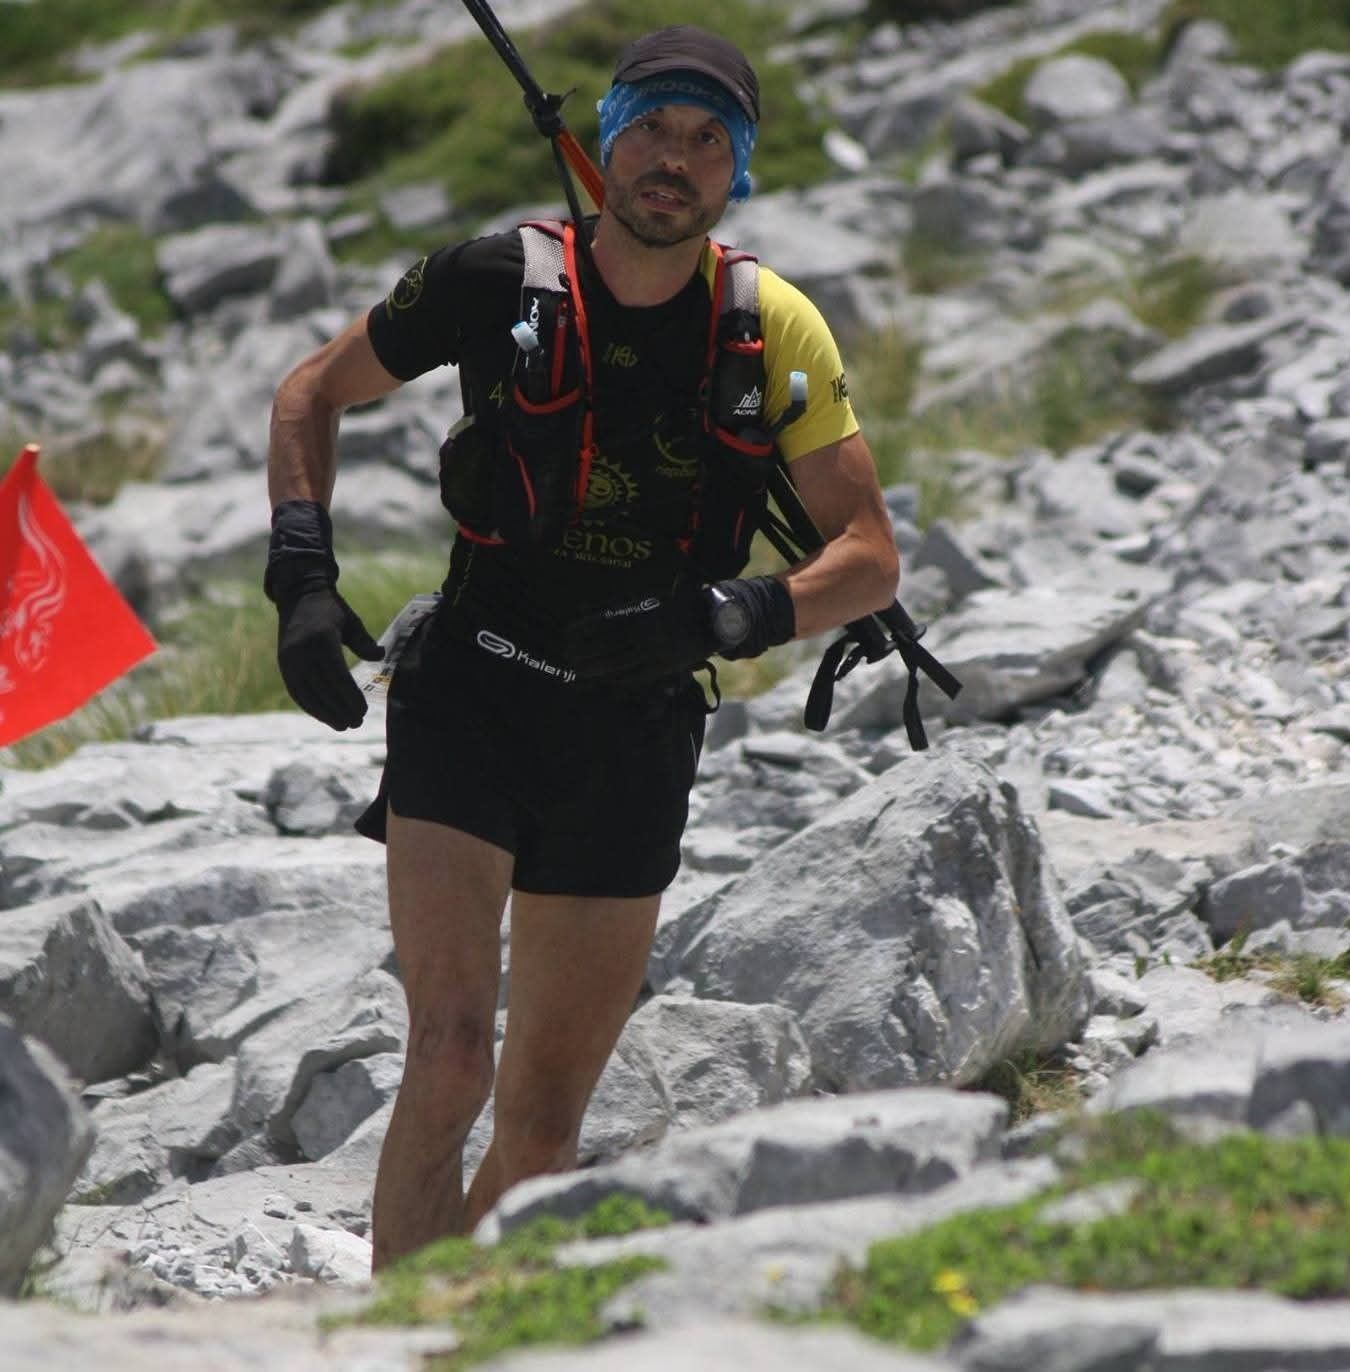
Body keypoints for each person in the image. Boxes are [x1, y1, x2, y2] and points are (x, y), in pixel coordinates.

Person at [264, 24, 899, 1270]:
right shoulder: (493, 279)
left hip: (636, 725)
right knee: (450, 1054)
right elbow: (311, 393)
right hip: (473, 692)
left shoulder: (774, 330)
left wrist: (732, 617)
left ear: (739, 173)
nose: (676, 159)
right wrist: (300, 575)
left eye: (708, 140)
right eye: (654, 128)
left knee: (545, 1132)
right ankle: (398, 1337)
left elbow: (868, 555)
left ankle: (457, 1323)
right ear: (608, 141)